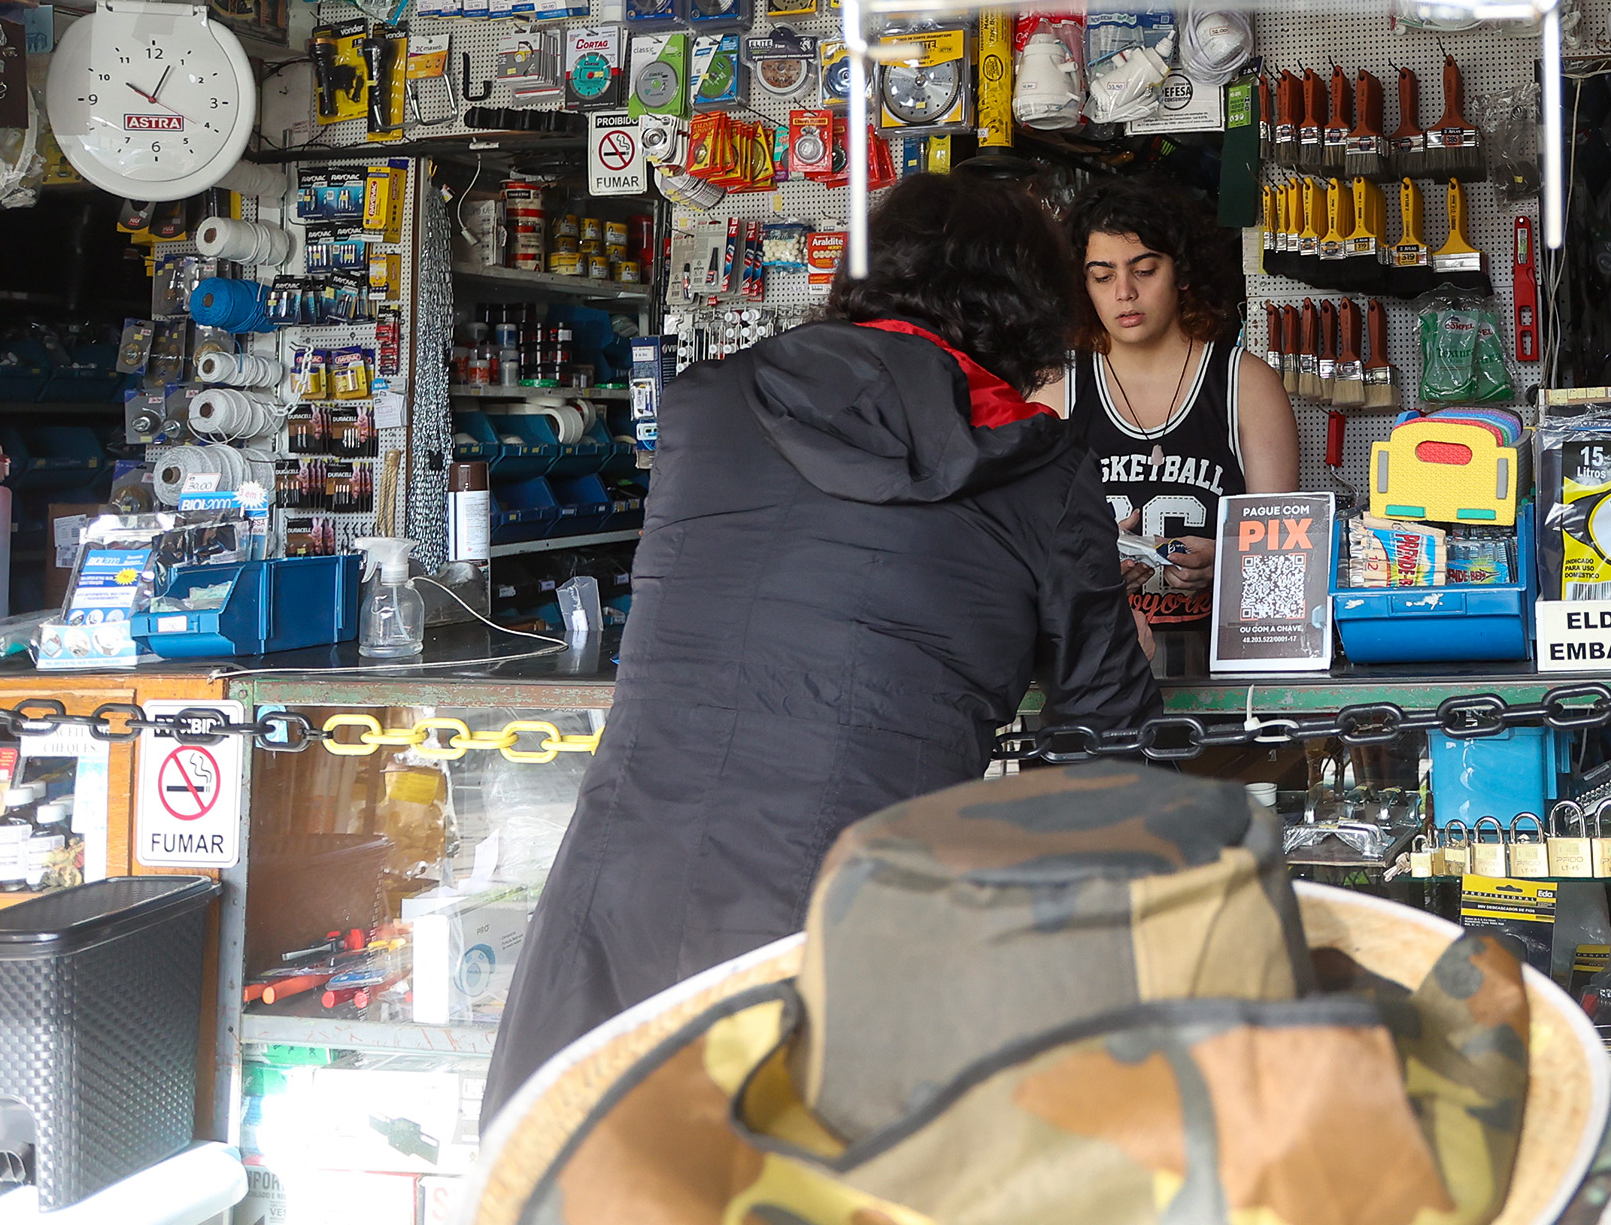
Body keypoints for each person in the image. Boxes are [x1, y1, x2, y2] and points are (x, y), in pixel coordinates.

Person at [484, 173, 1160, 1117]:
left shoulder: (709, 408)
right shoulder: (1038, 469)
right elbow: (1108, 734)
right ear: (1031, 309)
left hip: (623, 896)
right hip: (850, 927)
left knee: (603, 1196)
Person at [1032, 178, 1298, 648]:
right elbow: (1026, 555)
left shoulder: (1245, 385)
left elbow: (1283, 561)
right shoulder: (1056, 389)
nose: (1124, 292)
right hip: (1096, 665)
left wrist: (1228, 564)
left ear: (1183, 273)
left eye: (1145, 270)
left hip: (1226, 661)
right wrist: (1087, 570)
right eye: (1102, 275)